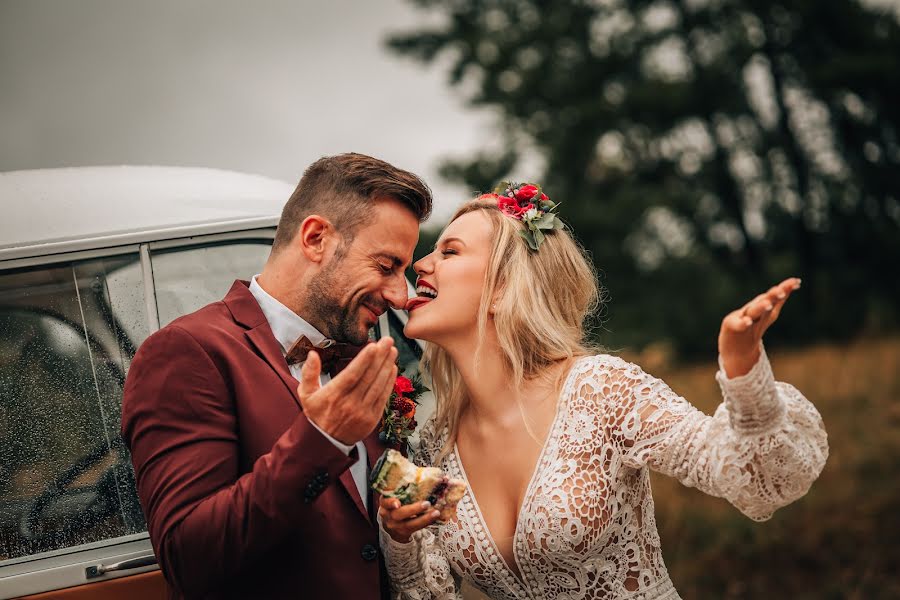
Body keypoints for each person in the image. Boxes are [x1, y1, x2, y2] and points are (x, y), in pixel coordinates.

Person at [378, 184, 828, 600]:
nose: (421, 264)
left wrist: (743, 369)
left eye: (450, 251)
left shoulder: (599, 389)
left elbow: (753, 476)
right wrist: (399, 539)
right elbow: (425, 589)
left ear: (501, 288)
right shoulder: (435, 445)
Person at [121, 153, 432, 599]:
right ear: (315, 237)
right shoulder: (189, 352)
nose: (400, 295)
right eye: (386, 267)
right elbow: (187, 557)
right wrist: (321, 438)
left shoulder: (361, 354)